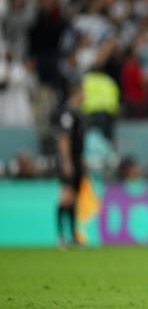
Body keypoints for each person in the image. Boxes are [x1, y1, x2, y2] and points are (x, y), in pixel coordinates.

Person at [55, 83, 86, 246]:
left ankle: (73, 236)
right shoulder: (67, 113)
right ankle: (60, 237)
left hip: (76, 160)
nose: (85, 95)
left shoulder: (78, 113)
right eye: (83, 91)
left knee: (73, 198)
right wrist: (67, 162)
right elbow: (63, 138)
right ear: (76, 93)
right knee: (65, 197)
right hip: (68, 161)